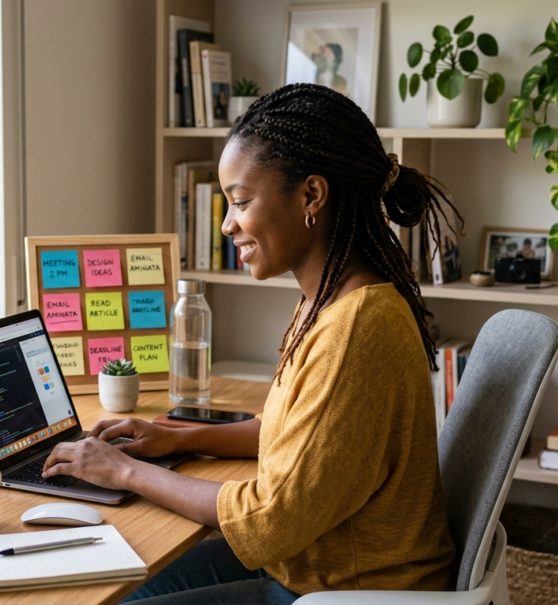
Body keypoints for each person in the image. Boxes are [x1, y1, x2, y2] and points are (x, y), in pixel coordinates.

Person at [42, 83, 458, 604]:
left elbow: (268, 519)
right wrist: (174, 437)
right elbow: (285, 434)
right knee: (122, 581)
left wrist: (124, 470)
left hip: (347, 588)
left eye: (240, 201)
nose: (226, 223)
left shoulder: (356, 328)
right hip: (310, 565)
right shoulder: (330, 298)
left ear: (311, 196)